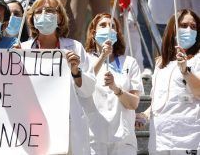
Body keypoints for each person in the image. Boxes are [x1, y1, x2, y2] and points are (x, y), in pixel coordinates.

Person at [20, 0, 96, 155]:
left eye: (49, 10)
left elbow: (88, 91)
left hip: (66, 127)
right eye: (38, 12)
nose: (43, 15)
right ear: (32, 19)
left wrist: (76, 71)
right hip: (32, 127)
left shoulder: (74, 48)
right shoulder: (22, 50)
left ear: (60, 17)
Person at [83, 13, 143, 155]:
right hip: (93, 139)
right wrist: (103, 56)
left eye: (112, 26)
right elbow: (82, 87)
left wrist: (116, 89)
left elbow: (134, 104)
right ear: (93, 33)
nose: (108, 28)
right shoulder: (85, 60)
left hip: (123, 141)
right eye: (103, 25)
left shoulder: (129, 62)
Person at [145, 9, 200, 154]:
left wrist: (185, 71)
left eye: (193, 27)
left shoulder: (198, 58)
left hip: (187, 138)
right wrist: (144, 115)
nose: (189, 30)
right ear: (173, 29)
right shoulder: (160, 64)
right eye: (183, 25)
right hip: (160, 139)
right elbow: (158, 100)